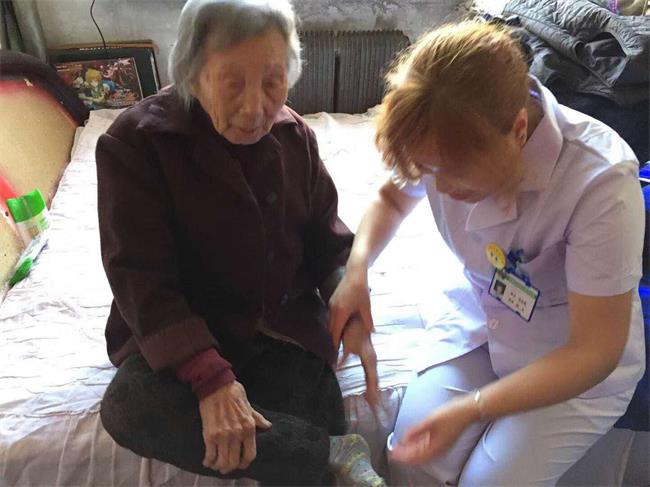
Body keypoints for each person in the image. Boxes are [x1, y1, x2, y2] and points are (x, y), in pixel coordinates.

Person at [329, 21, 645, 486]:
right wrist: (356, 270)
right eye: (430, 169)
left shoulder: (601, 181)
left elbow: (595, 350)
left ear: (518, 130)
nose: (441, 188)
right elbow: (392, 198)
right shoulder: (441, 130)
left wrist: (474, 408)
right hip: (480, 317)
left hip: (569, 358)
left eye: (457, 175)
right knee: (409, 460)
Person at [96, 1, 384, 485]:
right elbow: (141, 279)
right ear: (191, 73)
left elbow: (326, 237)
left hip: (277, 330)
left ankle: (314, 453)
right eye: (232, 83)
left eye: (273, 82)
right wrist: (211, 380)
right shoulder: (136, 144)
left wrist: (347, 296)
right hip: (182, 333)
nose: (254, 108)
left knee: (313, 400)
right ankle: (330, 454)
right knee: (130, 405)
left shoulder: (294, 137)